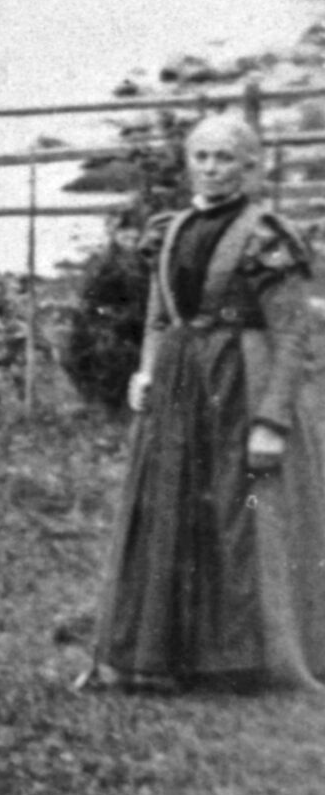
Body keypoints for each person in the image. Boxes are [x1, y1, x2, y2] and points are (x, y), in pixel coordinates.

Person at [85, 112, 325, 692]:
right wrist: (145, 369)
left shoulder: (265, 234)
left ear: (249, 166)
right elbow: (159, 313)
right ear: (189, 162)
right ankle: (172, 654)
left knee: (241, 516)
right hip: (178, 392)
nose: (213, 169)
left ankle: (245, 657)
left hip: (243, 388)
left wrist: (271, 421)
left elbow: (292, 334)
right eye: (203, 156)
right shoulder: (171, 229)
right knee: (173, 512)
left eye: (226, 159)